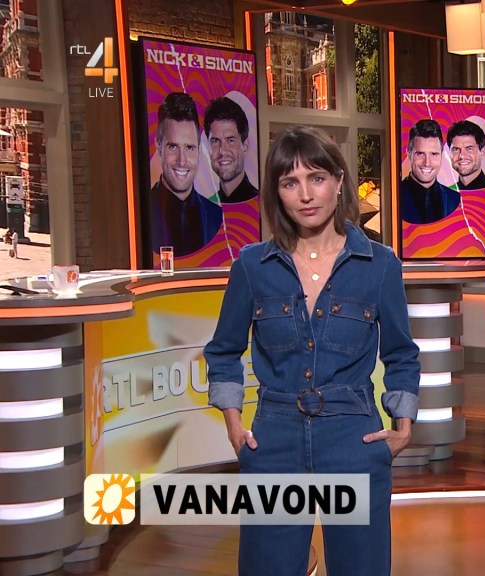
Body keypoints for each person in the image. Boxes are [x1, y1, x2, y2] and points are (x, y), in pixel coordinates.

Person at [204, 125, 419, 576]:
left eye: (316, 178)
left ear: (339, 181)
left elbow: (401, 353)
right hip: (274, 440)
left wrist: (403, 426)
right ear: (277, 193)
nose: (305, 194)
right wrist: (233, 422)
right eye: (290, 182)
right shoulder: (252, 266)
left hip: (353, 438)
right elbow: (223, 350)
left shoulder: (380, 265)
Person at [149, 92, 223, 256]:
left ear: (199, 150)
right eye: (173, 147)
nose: (181, 161)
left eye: (189, 148)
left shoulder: (216, 217)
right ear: (159, 146)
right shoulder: (140, 216)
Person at [399, 119, 461, 224]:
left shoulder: (455, 200)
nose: (427, 163)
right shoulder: (395, 198)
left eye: (434, 154)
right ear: (409, 154)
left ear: (442, 155)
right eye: (420, 154)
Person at [204, 96, 258, 204]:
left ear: (245, 146)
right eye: (215, 141)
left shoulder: (262, 204)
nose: (222, 151)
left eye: (230, 140)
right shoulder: (206, 207)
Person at [446, 119, 485, 190]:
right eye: (456, 149)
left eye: (469, 148)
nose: (462, 156)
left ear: (482, 152)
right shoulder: (446, 193)